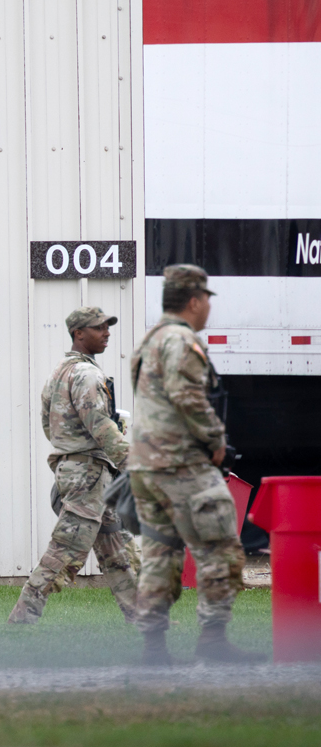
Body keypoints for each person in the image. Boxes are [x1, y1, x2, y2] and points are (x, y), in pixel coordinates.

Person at [129, 265, 263, 665]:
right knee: (220, 548)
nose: (208, 308)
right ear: (194, 301)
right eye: (206, 300)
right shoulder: (182, 341)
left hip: (146, 467)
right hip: (181, 464)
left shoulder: (149, 341)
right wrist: (215, 441)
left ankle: (154, 650)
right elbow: (187, 397)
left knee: (158, 555)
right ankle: (213, 641)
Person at [8, 306, 137, 625]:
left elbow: (47, 423)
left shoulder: (60, 372)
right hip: (87, 476)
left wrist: (68, 454)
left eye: (108, 326)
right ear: (79, 334)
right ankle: (22, 619)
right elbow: (101, 424)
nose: (107, 332)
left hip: (80, 471)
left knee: (115, 549)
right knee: (65, 551)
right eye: (99, 327)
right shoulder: (87, 374)